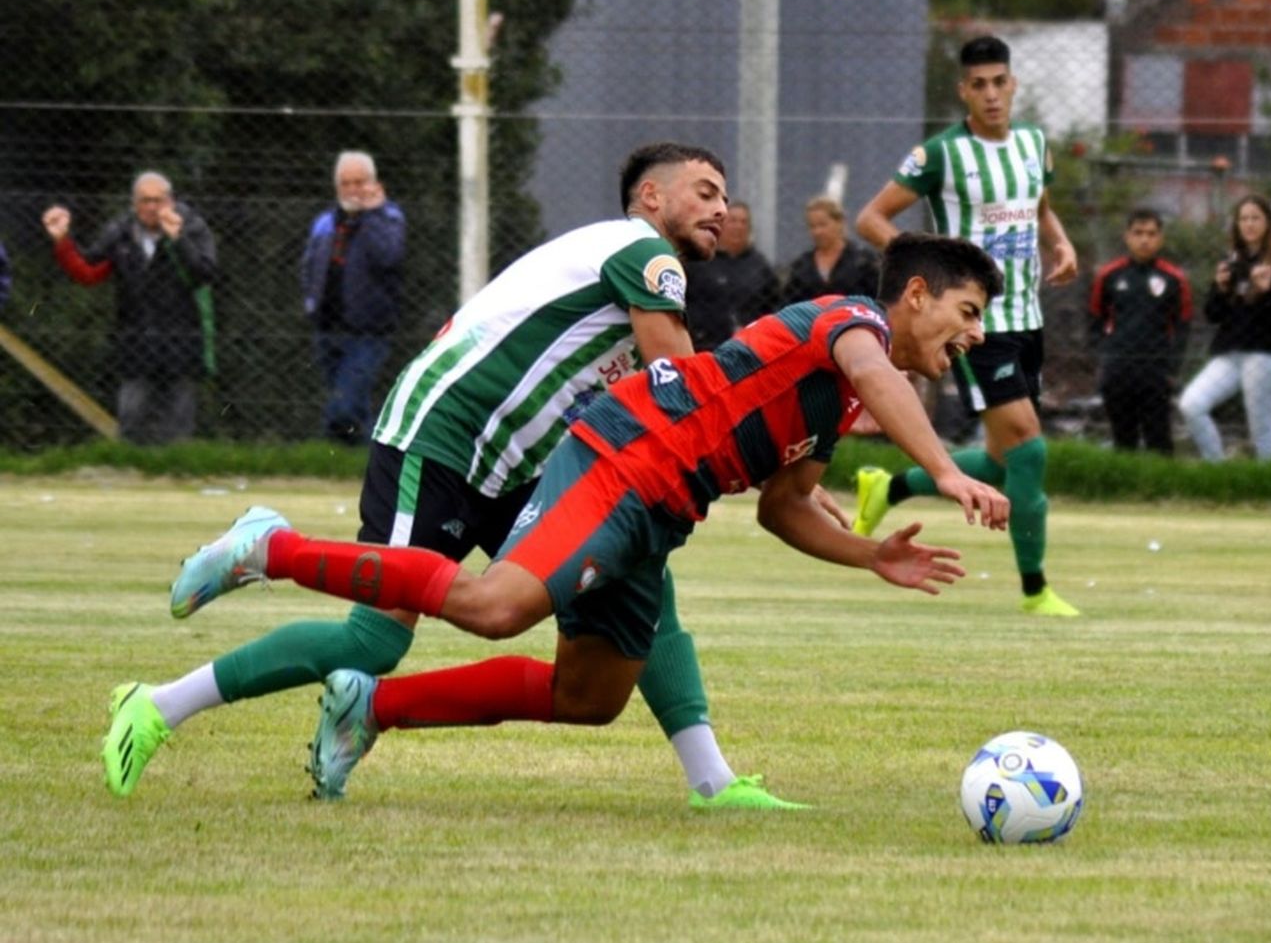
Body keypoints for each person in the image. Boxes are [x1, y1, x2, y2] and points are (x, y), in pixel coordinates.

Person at [166, 233, 1009, 802]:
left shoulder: (837, 405)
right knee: (496, 608)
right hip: (625, 457)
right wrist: (941, 470)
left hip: (664, 508)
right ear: (915, 294)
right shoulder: (851, 323)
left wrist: (867, 555)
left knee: (591, 695)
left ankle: (374, 708)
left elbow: (784, 511)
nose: (971, 336)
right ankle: (269, 548)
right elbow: (877, 373)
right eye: (967, 314)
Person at [102, 143, 798, 810]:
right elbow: (676, 384)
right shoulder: (644, 251)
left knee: (638, 571)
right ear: (651, 195)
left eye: (725, 199)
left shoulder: (616, 255)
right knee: (373, 642)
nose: (719, 208)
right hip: (447, 433)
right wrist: (771, 447)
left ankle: (711, 780)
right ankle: (168, 691)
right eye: (705, 192)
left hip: (514, 464)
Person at [852, 34, 1081, 617]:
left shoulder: (1034, 144)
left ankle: (890, 487)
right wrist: (932, 268)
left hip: (1028, 318)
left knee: (1004, 462)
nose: (991, 94)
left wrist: (1060, 242)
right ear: (964, 91)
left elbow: (1039, 203)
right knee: (1028, 450)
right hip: (977, 328)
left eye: (999, 82)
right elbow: (871, 219)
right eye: (978, 84)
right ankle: (1036, 590)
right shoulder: (940, 155)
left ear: (1013, 85)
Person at [41, 172, 217, 444]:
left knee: (179, 423)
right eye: (145, 201)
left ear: (170, 201)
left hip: (183, 338)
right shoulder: (119, 232)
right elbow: (89, 272)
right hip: (135, 339)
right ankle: (131, 470)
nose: (152, 207)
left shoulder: (192, 227)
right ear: (134, 204)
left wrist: (178, 239)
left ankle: (178, 473)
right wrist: (62, 240)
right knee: (131, 416)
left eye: (158, 200)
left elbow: (204, 273)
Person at [1177, 194, 1271, 462]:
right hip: (1231, 354)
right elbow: (1212, 314)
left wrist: (1266, 291)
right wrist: (1219, 288)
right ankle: (1218, 470)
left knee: (1262, 431)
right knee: (1191, 404)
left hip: (1265, 354)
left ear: (1268, 224)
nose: (1249, 224)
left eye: (1256, 218)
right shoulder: (1231, 262)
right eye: (1244, 218)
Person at [300, 150, 406, 444]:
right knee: (354, 406)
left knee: (344, 406)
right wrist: (310, 302)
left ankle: (336, 452)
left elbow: (389, 256)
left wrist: (371, 214)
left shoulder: (388, 218)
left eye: (360, 183)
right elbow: (309, 265)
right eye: (346, 184)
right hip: (328, 325)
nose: (353, 190)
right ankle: (362, 462)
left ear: (374, 184)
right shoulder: (326, 222)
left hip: (368, 329)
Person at [1088, 208, 1194, 455]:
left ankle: (1162, 487)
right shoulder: (1109, 276)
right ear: (1127, 236)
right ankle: (1126, 483)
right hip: (1119, 365)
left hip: (1156, 367)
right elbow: (1094, 318)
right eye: (1138, 233)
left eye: (1151, 233)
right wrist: (1104, 357)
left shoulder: (1173, 278)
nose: (1144, 239)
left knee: (1158, 434)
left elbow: (1183, 326)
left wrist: (1172, 368)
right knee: (1123, 435)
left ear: (1160, 238)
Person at [682, 200, 780, 350]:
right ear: (720, 225)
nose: (738, 226)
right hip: (703, 345)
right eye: (732, 221)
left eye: (744, 222)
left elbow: (774, 306)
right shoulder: (699, 261)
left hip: (749, 347)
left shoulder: (760, 266)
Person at [781, 195, 880, 305]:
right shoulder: (801, 265)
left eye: (822, 225)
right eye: (812, 226)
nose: (817, 232)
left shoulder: (862, 261)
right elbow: (788, 303)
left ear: (839, 223)